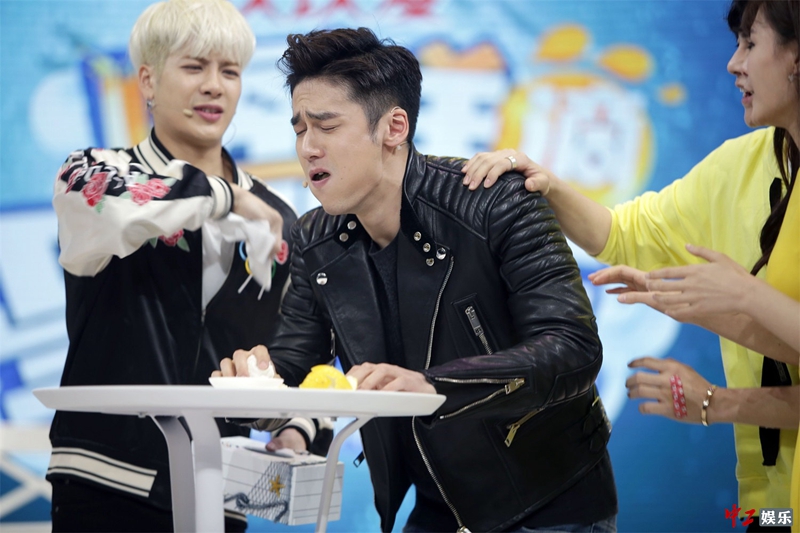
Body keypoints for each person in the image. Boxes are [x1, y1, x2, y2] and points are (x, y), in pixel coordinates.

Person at [214, 26, 618, 533]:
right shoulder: (315, 239)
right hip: (437, 509)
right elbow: (297, 364)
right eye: (299, 130)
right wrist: (257, 385)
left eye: (326, 126)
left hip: (550, 504)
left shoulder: (496, 201)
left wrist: (434, 385)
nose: (308, 148)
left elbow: (573, 347)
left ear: (394, 127)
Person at [461, 0, 799, 527]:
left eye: (751, 44)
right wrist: (545, 183)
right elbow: (624, 234)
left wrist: (737, 303)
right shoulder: (742, 165)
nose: (734, 64)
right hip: (769, 503)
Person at [47, 1, 330, 531]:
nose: (214, 87)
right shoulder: (95, 174)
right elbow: (116, 212)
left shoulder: (281, 221)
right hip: (104, 480)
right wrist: (228, 197)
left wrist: (296, 425)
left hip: (219, 489)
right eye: (194, 67)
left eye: (230, 72)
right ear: (148, 81)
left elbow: (300, 347)